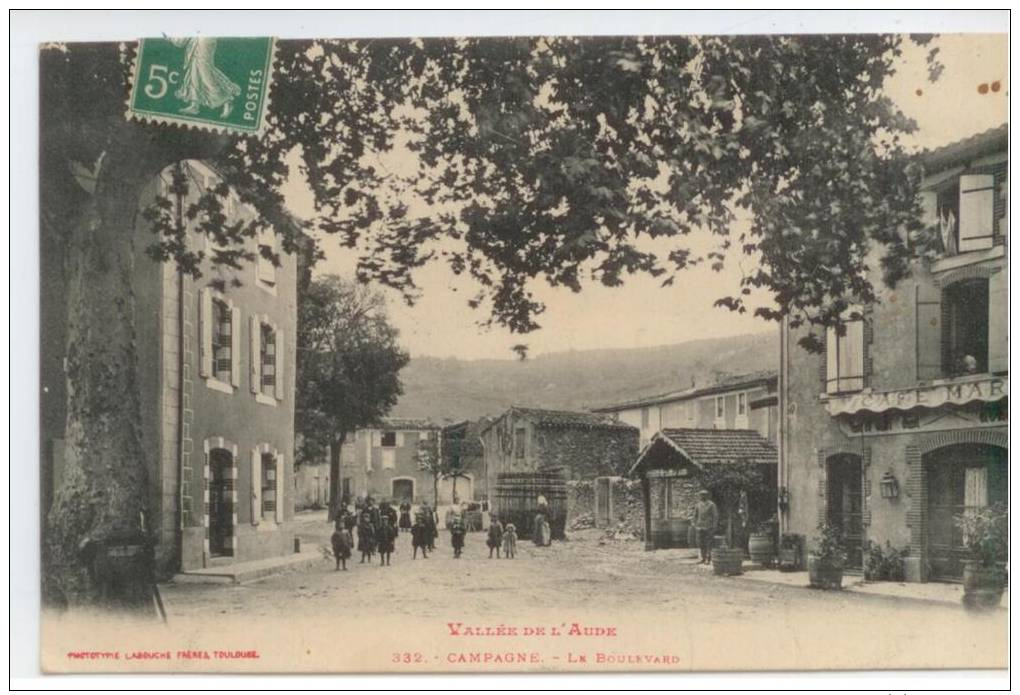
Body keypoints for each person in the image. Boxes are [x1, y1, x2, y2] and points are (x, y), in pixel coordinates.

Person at [693, 489, 719, 564]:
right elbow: (695, 515)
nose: (702, 496)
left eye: (704, 495)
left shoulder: (711, 505)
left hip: (709, 526)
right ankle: (703, 558)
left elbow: (715, 515)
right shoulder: (698, 505)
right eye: (701, 495)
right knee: (701, 543)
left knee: (709, 543)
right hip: (700, 526)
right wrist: (695, 524)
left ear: (707, 496)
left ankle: (708, 558)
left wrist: (714, 525)